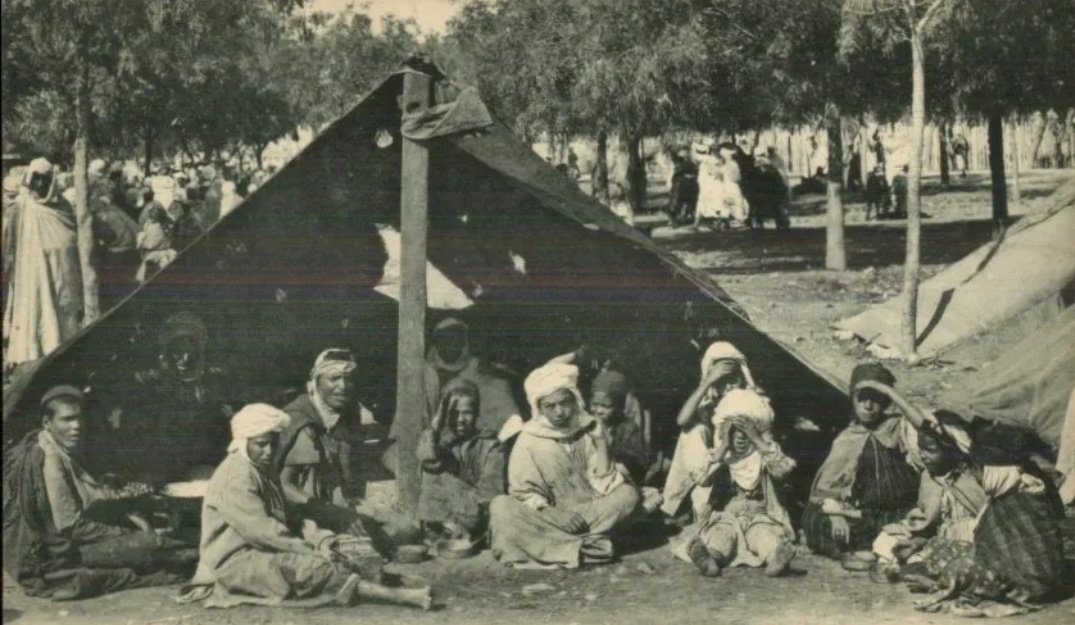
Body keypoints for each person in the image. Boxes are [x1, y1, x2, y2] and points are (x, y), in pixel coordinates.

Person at [178, 404, 431, 610]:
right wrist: (310, 550)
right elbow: (263, 530)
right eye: (260, 444)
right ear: (244, 441)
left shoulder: (262, 469)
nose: (269, 451)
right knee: (312, 568)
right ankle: (398, 597)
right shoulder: (237, 477)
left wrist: (321, 539)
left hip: (264, 549)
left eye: (273, 443)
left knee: (349, 548)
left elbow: (288, 517)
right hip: (235, 561)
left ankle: (381, 584)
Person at [859, 381, 1064, 617]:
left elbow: (1028, 572)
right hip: (1006, 567)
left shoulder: (1021, 503)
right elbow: (933, 429)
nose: (977, 475)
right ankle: (923, 570)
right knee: (936, 547)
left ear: (1002, 471)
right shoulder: (1011, 490)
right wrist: (889, 392)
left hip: (1028, 583)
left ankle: (927, 576)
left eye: (982, 471)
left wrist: (951, 579)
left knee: (956, 567)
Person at [2, 386, 196, 601]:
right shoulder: (49, 459)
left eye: (79, 418)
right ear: (47, 423)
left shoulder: (56, 447)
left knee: (149, 536)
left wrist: (123, 515)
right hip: (55, 556)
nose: (76, 426)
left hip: (64, 543)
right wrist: (126, 534)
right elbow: (70, 526)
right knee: (154, 547)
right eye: (67, 420)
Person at [488, 363, 640, 569]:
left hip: (589, 514)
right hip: (549, 517)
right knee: (500, 506)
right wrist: (555, 515)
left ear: (575, 400)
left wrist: (601, 441)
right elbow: (523, 494)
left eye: (564, 403)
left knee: (628, 495)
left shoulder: (588, 427)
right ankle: (586, 548)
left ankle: (553, 547)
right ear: (539, 408)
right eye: (550, 406)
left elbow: (604, 485)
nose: (559, 412)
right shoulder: (528, 439)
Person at [671, 389, 797, 578]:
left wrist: (758, 440)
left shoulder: (764, 455)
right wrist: (723, 448)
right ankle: (709, 559)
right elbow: (701, 478)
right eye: (734, 431)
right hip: (728, 518)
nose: (740, 437)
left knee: (764, 537)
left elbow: (784, 469)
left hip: (760, 518)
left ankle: (775, 561)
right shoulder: (721, 457)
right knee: (722, 537)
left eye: (745, 431)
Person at [801, 364, 919, 560]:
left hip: (893, 511)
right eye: (862, 398)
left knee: (902, 524)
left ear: (886, 400)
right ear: (853, 399)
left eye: (876, 398)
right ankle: (873, 547)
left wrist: (889, 391)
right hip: (855, 513)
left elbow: (925, 424)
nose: (868, 406)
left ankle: (855, 550)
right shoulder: (847, 438)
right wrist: (836, 514)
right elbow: (826, 488)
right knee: (813, 519)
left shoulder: (900, 428)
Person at [112, 312, 238, 482]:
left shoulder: (213, 382)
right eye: (178, 351)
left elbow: (223, 431)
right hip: (162, 465)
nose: (184, 359)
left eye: (190, 351)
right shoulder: (151, 383)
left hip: (204, 464)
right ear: (167, 352)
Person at [277, 349, 374, 529]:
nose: (343, 386)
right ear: (316, 382)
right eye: (334, 378)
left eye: (349, 379)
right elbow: (283, 486)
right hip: (299, 513)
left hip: (330, 507)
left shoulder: (345, 416)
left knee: (404, 529)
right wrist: (333, 514)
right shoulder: (302, 422)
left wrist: (349, 508)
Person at [662, 342, 758, 521]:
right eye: (722, 382)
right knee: (693, 431)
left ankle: (700, 508)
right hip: (708, 471)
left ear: (743, 378)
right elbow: (682, 420)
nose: (729, 387)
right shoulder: (710, 402)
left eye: (733, 379)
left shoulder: (750, 401)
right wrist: (708, 382)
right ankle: (684, 506)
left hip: (735, 471)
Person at [3, 157, 84, 367]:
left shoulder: (63, 207)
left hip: (62, 272)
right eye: (35, 178)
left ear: (51, 180)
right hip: (32, 271)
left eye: (44, 179)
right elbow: (10, 242)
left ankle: (62, 354)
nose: (39, 184)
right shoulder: (21, 207)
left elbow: (73, 234)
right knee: (36, 309)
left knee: (61, 311)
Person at [417, 379, 506, 543]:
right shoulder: (440, 444)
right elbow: (428, 461)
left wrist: (458, 521)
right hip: (442, 523)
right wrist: (435, 427)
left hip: (475, 522)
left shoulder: (490, 445)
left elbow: (490, 492)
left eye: (467, 412)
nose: (460, 419)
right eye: (453, 413)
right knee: (430, 472)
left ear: (477, 413)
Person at [420, 317, 522, 438]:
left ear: (464, 342)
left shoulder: (482, 372)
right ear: (436, 343)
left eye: (456, 339)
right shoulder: (424, 373)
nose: (451, 344)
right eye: (445, 339)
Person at [588, 369, 654, 485]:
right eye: (594, 404)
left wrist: (610, 443)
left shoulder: (627, 428)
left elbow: (635, 464)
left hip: (615, 476)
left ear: (618, 406)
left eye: (605, 406)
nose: (598, 410)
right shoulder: (587, 424)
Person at [666, 149, 699, 227]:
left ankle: (681, 217)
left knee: (685, 202)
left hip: (687, 187)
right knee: (676, 202)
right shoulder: (681, 165)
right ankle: (675, 219)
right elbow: (674, 177)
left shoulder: (690, 164)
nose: (685, 158)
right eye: (684, 156)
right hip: (681, 187)